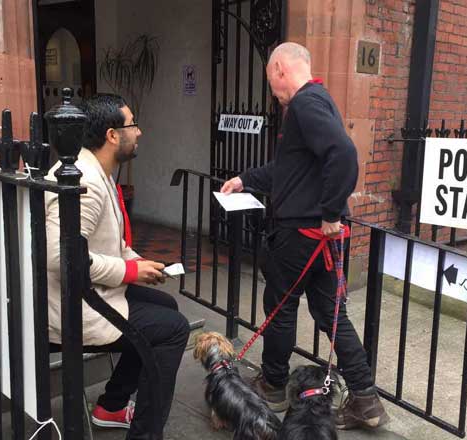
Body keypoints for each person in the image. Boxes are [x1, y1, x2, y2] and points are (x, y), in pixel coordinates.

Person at [221, 42, 389, 430]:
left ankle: (273, 386)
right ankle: (366, 400)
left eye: (270, 81)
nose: (273, 92)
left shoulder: (304, 104)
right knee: (331, 314)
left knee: (280, 307)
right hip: (321, 239)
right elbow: (290, 170)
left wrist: (330, 212)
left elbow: (344, 154)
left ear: (280, 69)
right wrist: (245, 179)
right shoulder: (319, 100)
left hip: (300, 234)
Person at [45, 94, 190, 440]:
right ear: (112, 135)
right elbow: (60, 258)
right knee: (173, 329)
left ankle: (111, 406)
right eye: (132, 124)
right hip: (74, 308)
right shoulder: (85, 182)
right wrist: (128, 272)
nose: (139, 132)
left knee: (167, 307)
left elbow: (108, 242)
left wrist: (137, 261)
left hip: (92, 292)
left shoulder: (97, 170)